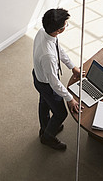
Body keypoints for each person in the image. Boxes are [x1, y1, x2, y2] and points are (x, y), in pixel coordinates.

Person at [32, 8, 82, 150]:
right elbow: (54, 83)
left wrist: (72, 67)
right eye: (66, 25)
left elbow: (59, 49)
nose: (67, 26)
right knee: (61, 113)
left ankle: (45, 128)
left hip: (38, 76)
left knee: (44, 102)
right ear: (59, 30)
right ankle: (48, 137)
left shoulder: (44, 32)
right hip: (46, 83)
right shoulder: (48, 56)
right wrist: (70, 98)